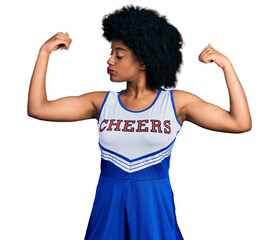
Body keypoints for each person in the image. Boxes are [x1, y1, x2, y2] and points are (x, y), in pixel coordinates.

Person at [27, 5, 252, 240]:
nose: (110, 59)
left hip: (153, 206)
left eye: (119, 54)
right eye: (111, 52)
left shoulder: (177, 103)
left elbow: (240, 123)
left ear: (144, 61)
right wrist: (44, 52)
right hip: (107, 204)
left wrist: (226, 66)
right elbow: (38, 108)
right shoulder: (101, 102)